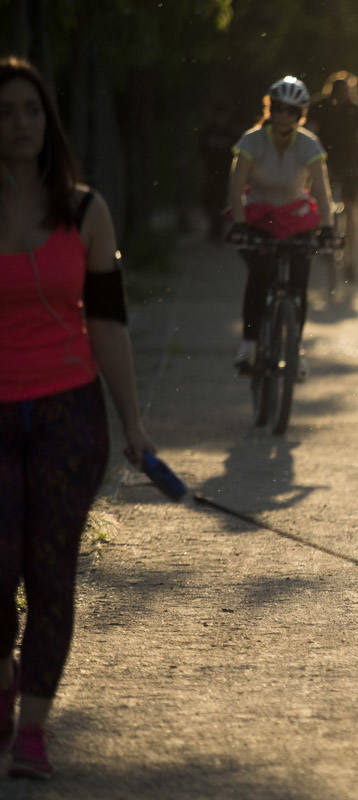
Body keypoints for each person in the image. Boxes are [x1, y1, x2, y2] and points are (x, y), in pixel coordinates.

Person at [1, 56, 158, 779]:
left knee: (51, 571)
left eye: (30, 110)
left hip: (70, 412)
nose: (19, 124)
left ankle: (33, 726)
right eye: (5, 112)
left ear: (49, 121)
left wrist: (132, 425)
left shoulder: (87, 210)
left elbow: (109, 323)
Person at [226, 76, 334, 379]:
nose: (285, 116)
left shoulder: (308, 143)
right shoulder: (252, 140)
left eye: (293, 111)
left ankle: (296, 349)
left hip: (296, 216)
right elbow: (236, 187)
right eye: (279, 109)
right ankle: (248, 344)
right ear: (270, 109)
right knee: (259, 276)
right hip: (258, 216)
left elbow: (322, 190)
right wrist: (239, 223)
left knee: (299, 285)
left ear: (301, 115)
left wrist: (327, 226)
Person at [306, 71, 358, 282]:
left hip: (345, 163)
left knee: (350, 208)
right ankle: (346, 258)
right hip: (328, 162)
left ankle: (349, 259)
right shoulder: (326, 106)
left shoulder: (355, 109)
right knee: (345, 207)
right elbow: (310, 133)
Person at [198, 99, 239, 242]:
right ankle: (213, 229)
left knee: (222, 203)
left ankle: (219, 231)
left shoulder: (231, 134)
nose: (221, 118)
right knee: (209, 202)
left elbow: (238, 157)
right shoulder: (207, 132)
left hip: (225, 175)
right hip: (210, 174)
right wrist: (202, 173)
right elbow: (201, 155)